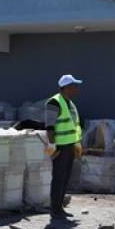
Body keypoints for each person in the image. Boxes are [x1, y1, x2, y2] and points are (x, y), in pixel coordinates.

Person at [45, 75, 84, 220]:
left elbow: (74, 126)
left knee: (65, 177)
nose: (76, 89)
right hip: (60, 147)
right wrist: (52, 148)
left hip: (69, 146)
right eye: (74, 86)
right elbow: (50, 127)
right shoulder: (54, 102)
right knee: (58, 178)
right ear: (66, 87)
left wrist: (77, 145)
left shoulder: (70, 103)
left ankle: (59, 207)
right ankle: (55, 210)